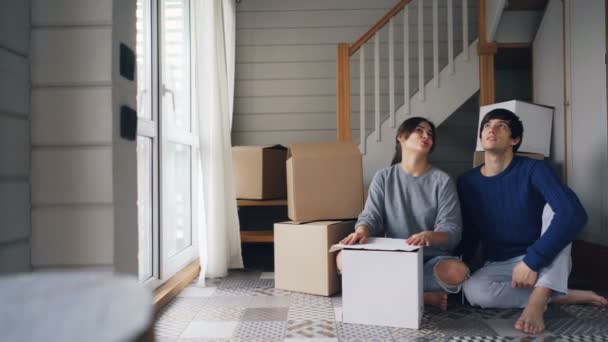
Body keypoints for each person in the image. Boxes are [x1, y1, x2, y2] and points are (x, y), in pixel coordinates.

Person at [457, 108, 608, 335]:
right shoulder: (467, 182)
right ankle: (557, 295)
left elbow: (574, 214)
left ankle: (537, 301)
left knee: (558, 211)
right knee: (473, 291)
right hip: (500, 264)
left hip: (543, 258)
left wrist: (532, 262)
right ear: (481, 137)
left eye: (502, 126)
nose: (492, 129)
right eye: (487, 125)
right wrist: (460, 265)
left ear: (515, 139)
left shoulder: (534, 169)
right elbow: (470, 232)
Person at [337, 117, 469, 311]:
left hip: (430, 260)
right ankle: (420, 295)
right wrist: (362, 230)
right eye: (419, 130)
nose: (426, 136)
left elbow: (452, 230)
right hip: (394, 257)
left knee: (457, 271)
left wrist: (430, 236)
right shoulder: (384, 177)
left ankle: (390, 291)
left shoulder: (443, 181)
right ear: (401, 137)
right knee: (342, 258)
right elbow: (370, 215)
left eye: (430, 134)